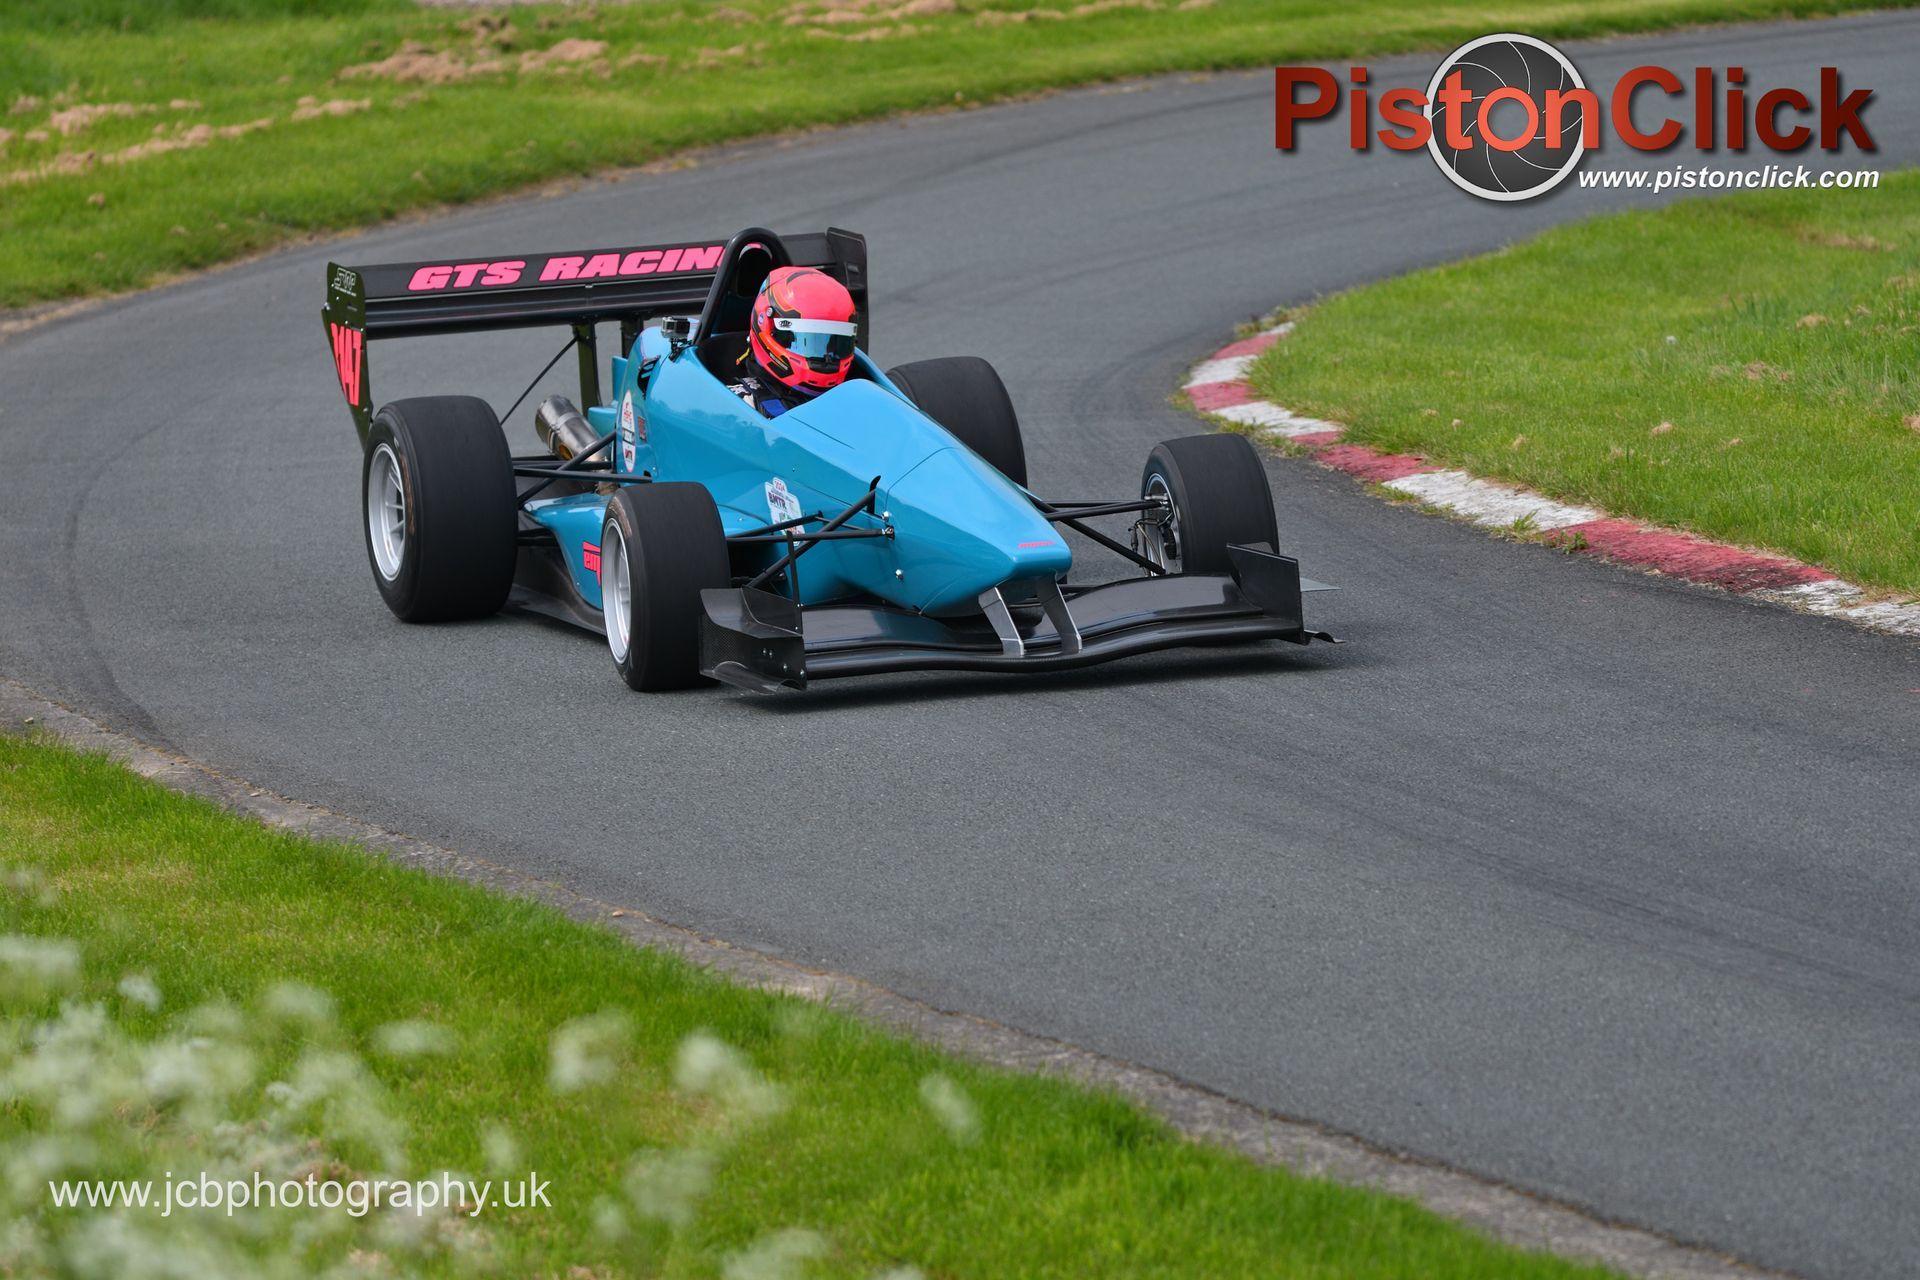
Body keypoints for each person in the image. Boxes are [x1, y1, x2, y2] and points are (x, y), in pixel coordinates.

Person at [727, 265, 859, 417]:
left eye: (836, 343)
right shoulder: (740, 404)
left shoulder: (858, 392)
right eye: (808, 342)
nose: (826, 359)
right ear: (767, 326)